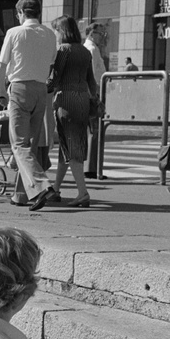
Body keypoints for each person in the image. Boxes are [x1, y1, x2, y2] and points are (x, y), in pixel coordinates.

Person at [0, 0, 58, 210]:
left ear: (21, 13)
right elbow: (51, 62)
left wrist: (2, 91)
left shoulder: (14, 33)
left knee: (19, 144)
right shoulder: (50, 34)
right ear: (39, 12)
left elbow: (1, 66)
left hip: (20, 87)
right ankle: (21, 195)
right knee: (29, 144)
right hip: (41, 89)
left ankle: (42, 185)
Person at [47, 16, 98, 208]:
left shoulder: (63, 50)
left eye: (56, 31)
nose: (56, 35)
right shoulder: (85, 52)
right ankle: (56, 188)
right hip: (83, 100)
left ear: (62, 31)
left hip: (66, 101)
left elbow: (55, 79)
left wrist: (41, 88)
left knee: (71, 147)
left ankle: (82, 192)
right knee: (68, 147)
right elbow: (91, 81)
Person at [83, 22, 109, 178]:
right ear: (91, 34)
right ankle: (91, 168)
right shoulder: (92, 49)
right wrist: (95, 94)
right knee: (94, 131)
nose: (103, 37)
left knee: (91, 131)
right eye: (100, 34)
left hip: (90, 92)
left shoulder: (91, 48)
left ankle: (90, 167)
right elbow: (93, 74)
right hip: (93, 92)